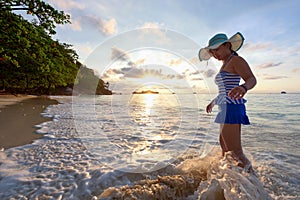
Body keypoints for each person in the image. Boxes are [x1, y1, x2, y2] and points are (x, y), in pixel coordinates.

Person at [198, 32, 257, 173]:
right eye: (212, 52)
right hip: (224, 108)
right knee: (225, 150)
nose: (215, 54)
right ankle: (228, 181)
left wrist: (243, 87)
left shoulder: (236, 61)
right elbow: (224, 91)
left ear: (227, 45)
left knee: (235, 152)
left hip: (232, 108)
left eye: (216, 49)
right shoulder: (225, 63)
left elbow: (251, 79)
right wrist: (213, 102)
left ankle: (255, 185)